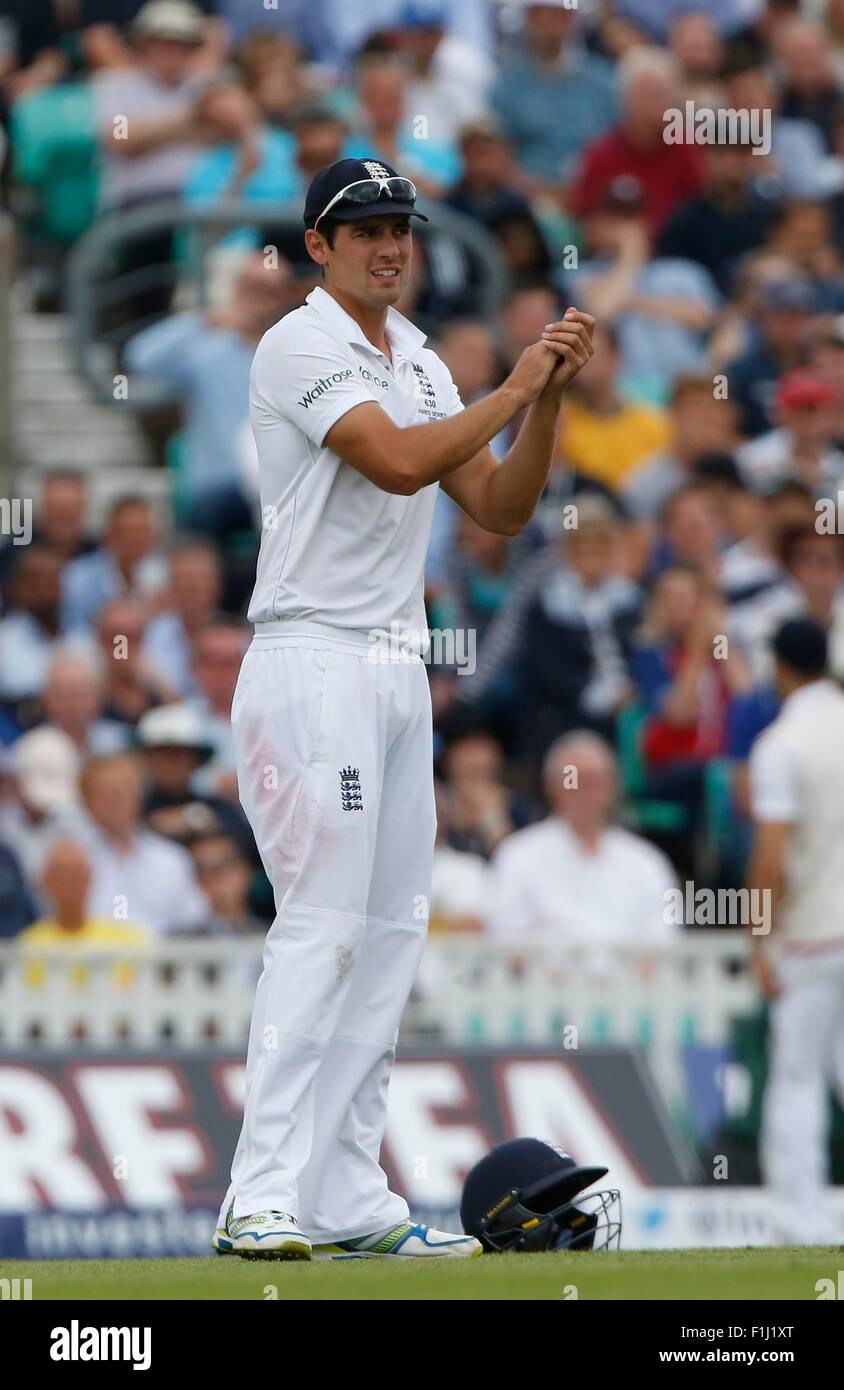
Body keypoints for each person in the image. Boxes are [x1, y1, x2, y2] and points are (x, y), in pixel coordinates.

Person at [213, 155, 595, 1262]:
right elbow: (390, 465)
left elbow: (500, 508)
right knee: (324, 922)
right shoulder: (298, 341)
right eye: (365, 227)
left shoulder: (421, 360)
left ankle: (342, 1195)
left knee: (385, 935)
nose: (390, 244)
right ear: (318, 247)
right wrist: (516, 386)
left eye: (401, 227)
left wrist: (550, 396)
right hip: (310, 657)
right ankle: (258, 1193)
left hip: (392, 665)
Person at [747, 618, 844, 1243]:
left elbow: (770, 858)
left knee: (799, 1078)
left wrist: (760, 939)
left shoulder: (781, 743)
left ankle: (798, 1218)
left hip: (815, 937)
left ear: (780, 667)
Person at [484, 731, 678, 942]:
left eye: (595, 781)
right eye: (573, 779)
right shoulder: (517, 855)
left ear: (612, 788)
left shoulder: (646, 862)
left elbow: (663, 941)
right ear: (552, 786)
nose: (584, 791)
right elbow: (506, 940)